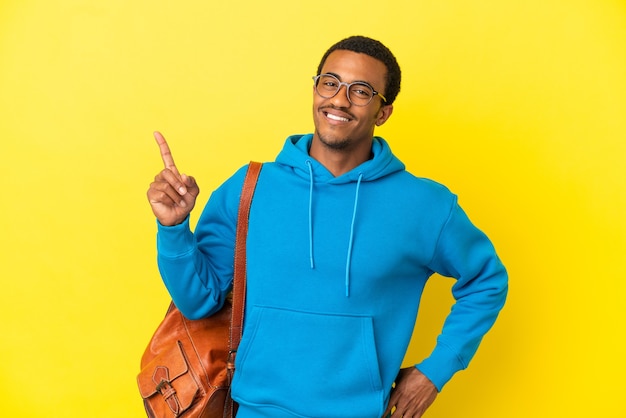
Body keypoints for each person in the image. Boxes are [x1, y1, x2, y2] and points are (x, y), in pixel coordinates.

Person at [147, 35, 508, 418]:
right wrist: (173, 229)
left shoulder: (425, 206)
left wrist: (435, 372)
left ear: (383, 113)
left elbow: (487, 280)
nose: (339, 99)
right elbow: (199, 300)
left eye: (361, 91)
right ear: (316, 89)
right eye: (330, 83)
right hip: (253, 410)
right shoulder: (250, 188)